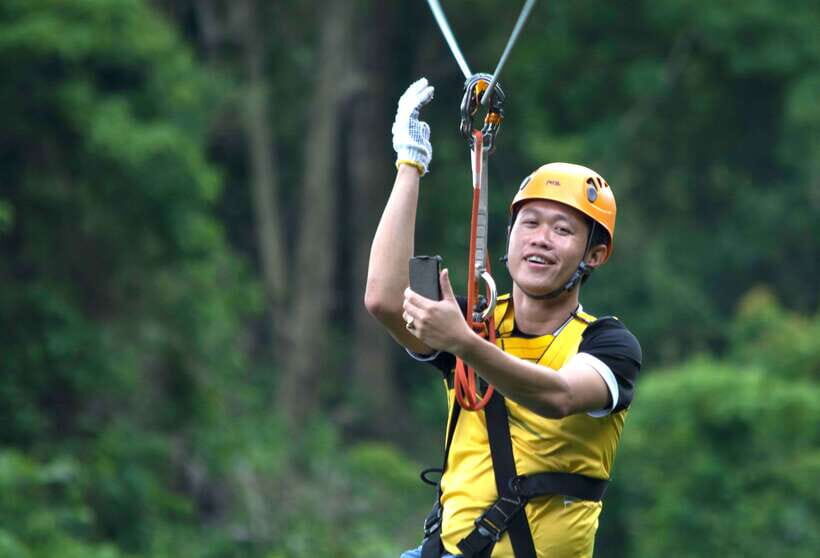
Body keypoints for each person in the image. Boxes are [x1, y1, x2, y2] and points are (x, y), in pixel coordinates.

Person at [365, 78, 642, 558]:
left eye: (562, 230)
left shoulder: (607, 344)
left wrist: (464, 343)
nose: (540, 238)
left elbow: (558, 396)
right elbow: (385, 301)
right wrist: (409, 163)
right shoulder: (476, 321)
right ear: (509, 235)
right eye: (529, 223)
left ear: (593, 256)